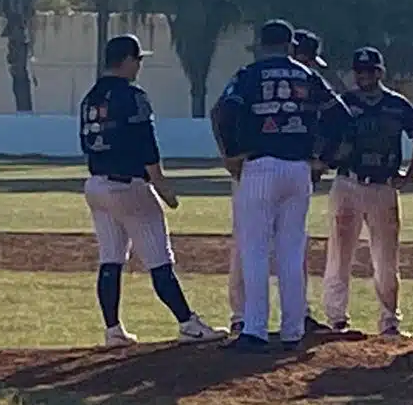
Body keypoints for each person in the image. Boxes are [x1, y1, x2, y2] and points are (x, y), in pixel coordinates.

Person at [79, 34, 226, 349]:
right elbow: (145, 142)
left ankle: (113, 329)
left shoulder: (90, 97)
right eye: (138, 60)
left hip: (96, 183)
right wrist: (161, 184)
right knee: (160, 258)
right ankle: (188, 323)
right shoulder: (132, 95)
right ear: (128, 60)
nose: (139, 66)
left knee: (111, 259)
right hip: (128, 185)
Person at [212, 19, 348, 352]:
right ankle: (293, 329)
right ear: (290, 46)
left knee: (255, 248)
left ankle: (255, 329)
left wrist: (231, 153)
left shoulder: (249, 75)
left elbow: (224, 112)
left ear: (261, 45)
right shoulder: (306, 74)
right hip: (298, 169)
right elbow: (341, 116)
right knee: (291, 249)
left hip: (261, 166)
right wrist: (324, 158)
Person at [321, 47, 413, 337]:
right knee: (339, 253)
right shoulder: (344, 103)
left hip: (382, 185)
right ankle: (337, 318)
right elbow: (324, 138)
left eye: (369, 71)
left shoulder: (397, 105)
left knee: (386, 257)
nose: (364, 76)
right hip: (348, 182)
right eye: (359, 71)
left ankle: (389, 319)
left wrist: (411, 174)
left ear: (380, 73)